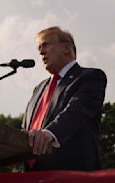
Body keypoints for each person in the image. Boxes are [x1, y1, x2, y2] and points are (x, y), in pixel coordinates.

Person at [22, 26, 107, 171]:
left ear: (66, 48)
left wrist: (49, 134)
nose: (41, 52)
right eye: (39, 49)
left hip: (72, 176)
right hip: (31, 179)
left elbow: (77, 111)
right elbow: (26, 130)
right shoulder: (39, 89)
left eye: (46, 45)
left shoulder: (90, 77)